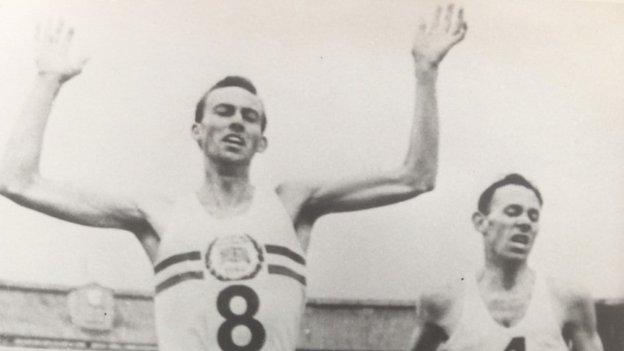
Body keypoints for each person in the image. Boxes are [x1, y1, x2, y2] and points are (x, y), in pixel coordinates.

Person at [0, 5, 467, 351]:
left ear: (262, 140)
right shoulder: (159, 213)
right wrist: (47, 80)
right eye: (224, 112)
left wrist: (425, 72)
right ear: (198, 132)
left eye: (251, 117)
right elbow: (16, 181)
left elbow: (415, 177)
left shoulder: (291, 204)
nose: (238, 122)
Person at [408, 174, 603, 351]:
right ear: (481, 222)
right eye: (513, 212)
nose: (525, 222)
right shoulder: (443, 300)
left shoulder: (568, 299)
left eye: (533, 216)